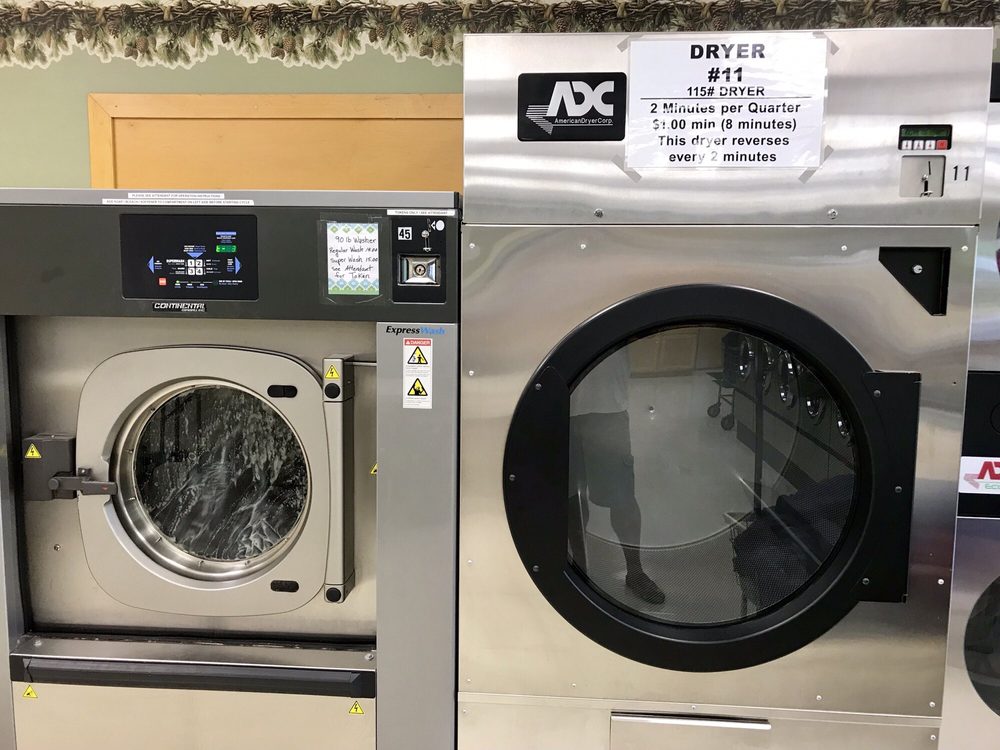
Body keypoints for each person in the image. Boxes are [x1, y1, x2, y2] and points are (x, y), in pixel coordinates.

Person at [568, 347, 666, 606]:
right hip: (560, 404)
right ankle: (579, 572)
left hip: (609, 408)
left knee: (623, 498)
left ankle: (635, 572)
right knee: (570, 497)